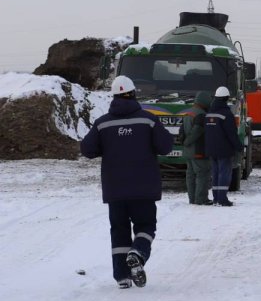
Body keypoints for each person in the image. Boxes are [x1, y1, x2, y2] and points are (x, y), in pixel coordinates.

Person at [80, 76, 173, 289]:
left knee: (119, 230)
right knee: (146, 225)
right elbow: (166, 146)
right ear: (133, 94)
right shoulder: (148, 120)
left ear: (114, 96)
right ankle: (138, 252)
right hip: (144, 188)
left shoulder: (103, 123)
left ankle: (122, 276)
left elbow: (87, 149)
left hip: (115, 190)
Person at [205, 86, 243, 207]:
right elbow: (231, 133)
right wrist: (239, 147)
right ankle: (222, 199)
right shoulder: (226, 114)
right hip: (224, 150)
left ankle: (216, 198)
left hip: (211, 150)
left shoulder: (209, 113)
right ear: (226, 98)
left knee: (215, 174)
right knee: (224, 174)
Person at [181, 91, 213, 205]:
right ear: (204, 101)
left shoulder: (188, 113)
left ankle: (192, 199)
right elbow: (197, 132)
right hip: (198, 151)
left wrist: (184, 143)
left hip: (188, 152)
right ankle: (201, 199)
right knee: (202, 174)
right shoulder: (201, 115)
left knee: (190, 175)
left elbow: (181, 132)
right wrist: (187, 142)